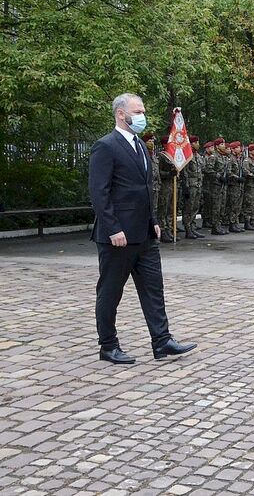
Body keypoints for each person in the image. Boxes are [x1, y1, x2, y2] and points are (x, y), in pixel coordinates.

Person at [88, 92, 197, 364]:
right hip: (118, 236)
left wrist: (154, 221)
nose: (142, 116)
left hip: (145, 234)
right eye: (137, 112)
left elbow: (145, 189)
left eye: (143, 111)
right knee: (110, 292)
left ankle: (162, 341)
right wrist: (113, 228)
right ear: (120, 114)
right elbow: (99, 193)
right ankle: (108, 345)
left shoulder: (140, 145)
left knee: (153, 290)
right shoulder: (106, 146)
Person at [182, 135, 204, 239]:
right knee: (188, 208)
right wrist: (185, 186)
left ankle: (193, 227)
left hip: (198, 185)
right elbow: (185, 172)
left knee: (195, 207)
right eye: (195, 142)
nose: (197, 144)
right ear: (190, 144)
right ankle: (188, 229)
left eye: (198, 142)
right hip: (190, 185)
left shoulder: (198, 156)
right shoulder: (187, 155)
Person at [157, 139, 177, 243]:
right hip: (164, 186)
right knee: (163, 209)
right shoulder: (161, 156)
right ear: (165, 144)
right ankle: (163, 230)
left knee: (170, 209)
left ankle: (169, 229)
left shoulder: (172, 155)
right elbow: (158, 172)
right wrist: (169, 174)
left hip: (171, 185)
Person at [210, 138, 230, 235]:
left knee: (222, 206)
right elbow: (208, 169)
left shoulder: (224, 157)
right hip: (216, 185)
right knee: (216, 207)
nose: (224, 146)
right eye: (222, 144)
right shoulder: (214, 156)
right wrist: (219, 176)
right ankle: (215, 226)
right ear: (217, 146)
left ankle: (219, 225)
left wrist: (227, 177)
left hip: (223, 185)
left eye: (224, 144)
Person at [241, 144, 254, 231]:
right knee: (249, 204)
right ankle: (247, 222)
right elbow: (245, 171)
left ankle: (252, 221)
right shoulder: (247, 161)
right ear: (251, 151)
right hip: (250, 186)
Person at [225, 141, 244, 233]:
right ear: (233, 149)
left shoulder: (238, 159)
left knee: (238, 206)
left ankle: (236, 223)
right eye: (238, 147)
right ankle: (232, 224)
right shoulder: (231, 159)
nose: (240, 149)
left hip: (239, 185)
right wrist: (237, 178)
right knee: (233, 205)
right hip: (233, 185)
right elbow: (228, 172)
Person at [200, 141, 216, 229]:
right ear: (207, 149)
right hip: (205, 182)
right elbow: (204, 169)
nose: (213, 149)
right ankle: (205, 220)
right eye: (211, 148)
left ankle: (209, 219)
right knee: (206, 202)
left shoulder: (212, 157)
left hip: (211, 183)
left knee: (211, 202)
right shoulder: (204, 158)